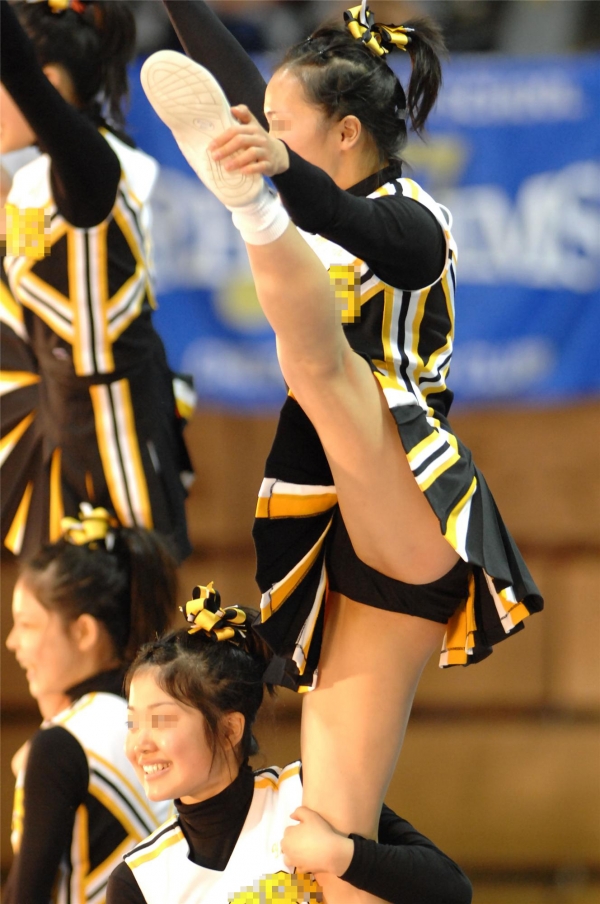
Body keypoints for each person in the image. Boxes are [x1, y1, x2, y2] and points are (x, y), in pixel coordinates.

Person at [141, 3, 543, 901]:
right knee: (326, 833)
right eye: (265, 129)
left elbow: (354, 226)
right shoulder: (310, 189)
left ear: (347, 133)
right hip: (357, 567)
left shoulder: (418, 219)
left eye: (282, 127)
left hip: (408, 491)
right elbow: (244, 97)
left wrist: (269, 181)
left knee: (323, 368)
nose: (265, 134)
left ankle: (249, 214)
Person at [106, 583, 472, 904]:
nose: (140, 744)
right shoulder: (138, 881)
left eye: (160, 721)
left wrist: (341, 854)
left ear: (230, 730)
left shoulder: (306, 792)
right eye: (132, 723)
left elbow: (451, 888)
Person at [0, 0, 193, 562]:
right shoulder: (35, 178)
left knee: (125, 609)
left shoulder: (90, 171)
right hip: (60, 419)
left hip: (113, 433)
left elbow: (19, 71)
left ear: (48, 85)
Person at [4, 505, 178, 903]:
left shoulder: (62, 743)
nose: (12, 642)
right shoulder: (163, 717)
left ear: (83, 632)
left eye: (27, 625)